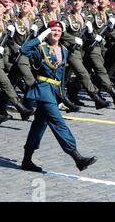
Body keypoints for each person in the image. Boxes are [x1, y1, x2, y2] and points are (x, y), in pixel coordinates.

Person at [19, 20, 97, 172]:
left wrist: (63, 96)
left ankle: (26, 160)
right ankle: (77, 157)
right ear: (48, 33)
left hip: (53, 92)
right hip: (42, 90)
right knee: (58, 121)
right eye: (52, 30)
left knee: (39, 125)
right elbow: (23, 49)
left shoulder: (64, 50)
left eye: (59, 31)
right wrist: (40, 37)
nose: (56, 33)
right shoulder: (40, 48)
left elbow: (61, 78)